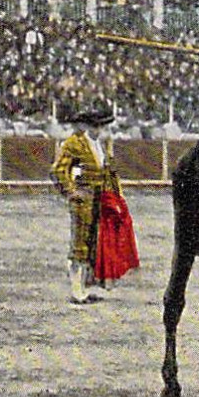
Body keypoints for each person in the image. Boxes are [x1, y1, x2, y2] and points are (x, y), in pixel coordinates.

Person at [51, 108, 121, 305]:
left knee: (93, 243)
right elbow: (58, 170)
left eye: (101, 126)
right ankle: (76, 291)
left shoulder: (99, 144)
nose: (99, 129)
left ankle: (84, 287)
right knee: (80, 243)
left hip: (100, 199)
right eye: (96, 125)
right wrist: (71, 191)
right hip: (84, 200)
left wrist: (114, 196)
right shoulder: (74, 143)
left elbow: (108, 172)